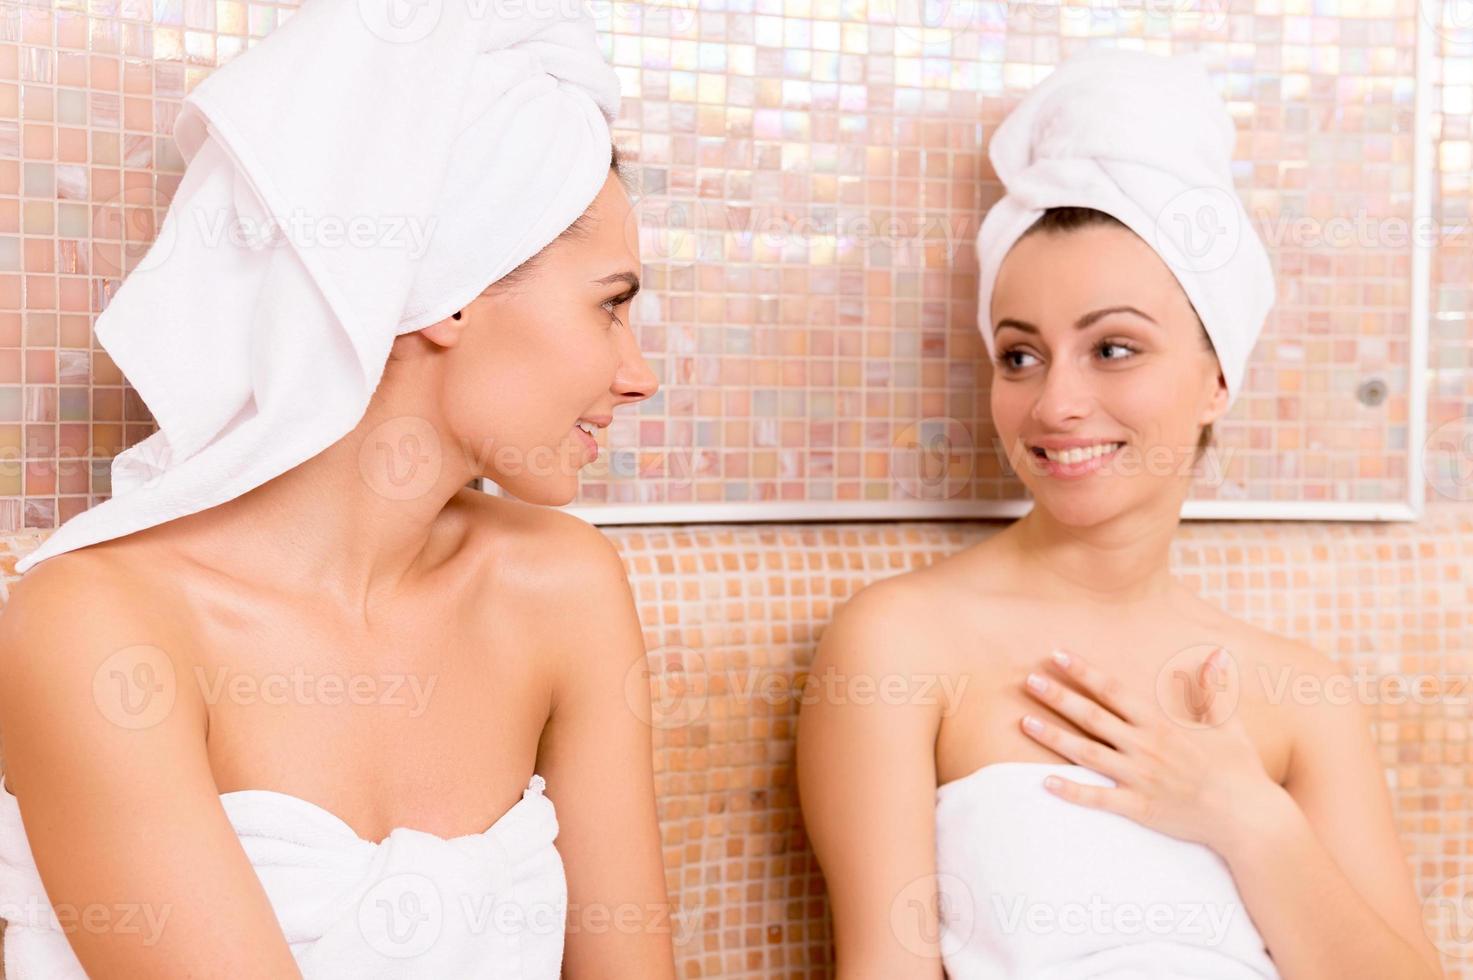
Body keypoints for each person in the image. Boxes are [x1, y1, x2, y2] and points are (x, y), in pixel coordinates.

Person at [0, 0, 676, 976]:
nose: (639, 371)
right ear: (453, 288)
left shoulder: (562, 587)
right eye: (611, 306)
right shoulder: (100, 628)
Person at [796, 48, 1445, 979]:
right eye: (1019, 356)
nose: (1054, 403)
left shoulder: (1303, 694)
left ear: (1216, 377)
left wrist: (1245, 816)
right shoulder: (898, 647)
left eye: (1112, 348)